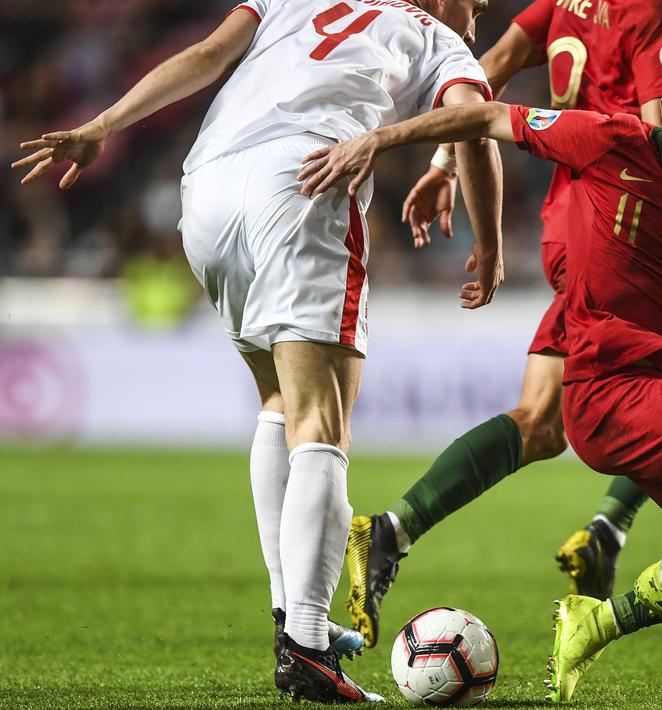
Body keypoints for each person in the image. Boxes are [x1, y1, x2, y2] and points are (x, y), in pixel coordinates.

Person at [298, 49, 662, 703]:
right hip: (606, 396)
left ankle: (598, 619)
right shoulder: (607, 138)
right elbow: (487, 113)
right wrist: (378, 141)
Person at [12, 0, 503, 703]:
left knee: (277, 401)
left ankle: (291, 614)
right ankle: (305, 644)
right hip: (302, 181)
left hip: (206, 187)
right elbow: (477, 125)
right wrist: (487, 246)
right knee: (322, 421)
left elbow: (207, 56)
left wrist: (103, 125)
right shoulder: (436, 36)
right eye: (474, 2)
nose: (476, 14)